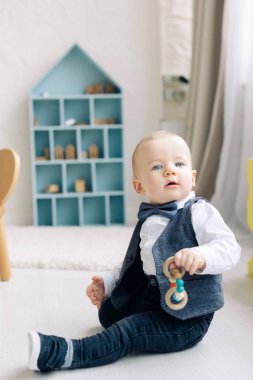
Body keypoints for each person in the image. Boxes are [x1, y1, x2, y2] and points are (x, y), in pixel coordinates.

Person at [28, 130, 241, 372]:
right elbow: (135, 261)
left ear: (192, 178)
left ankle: (64, 353)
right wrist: (109, 282)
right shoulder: (149, 219)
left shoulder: (200, 212)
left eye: (178, 163)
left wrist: (202, 256)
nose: (170, 170)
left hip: (186, 315)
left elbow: (229, 248)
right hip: (151, 296)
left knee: (129, 332)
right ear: (139, 185)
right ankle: (131, 317)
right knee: (108, 315)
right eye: (157, 167)